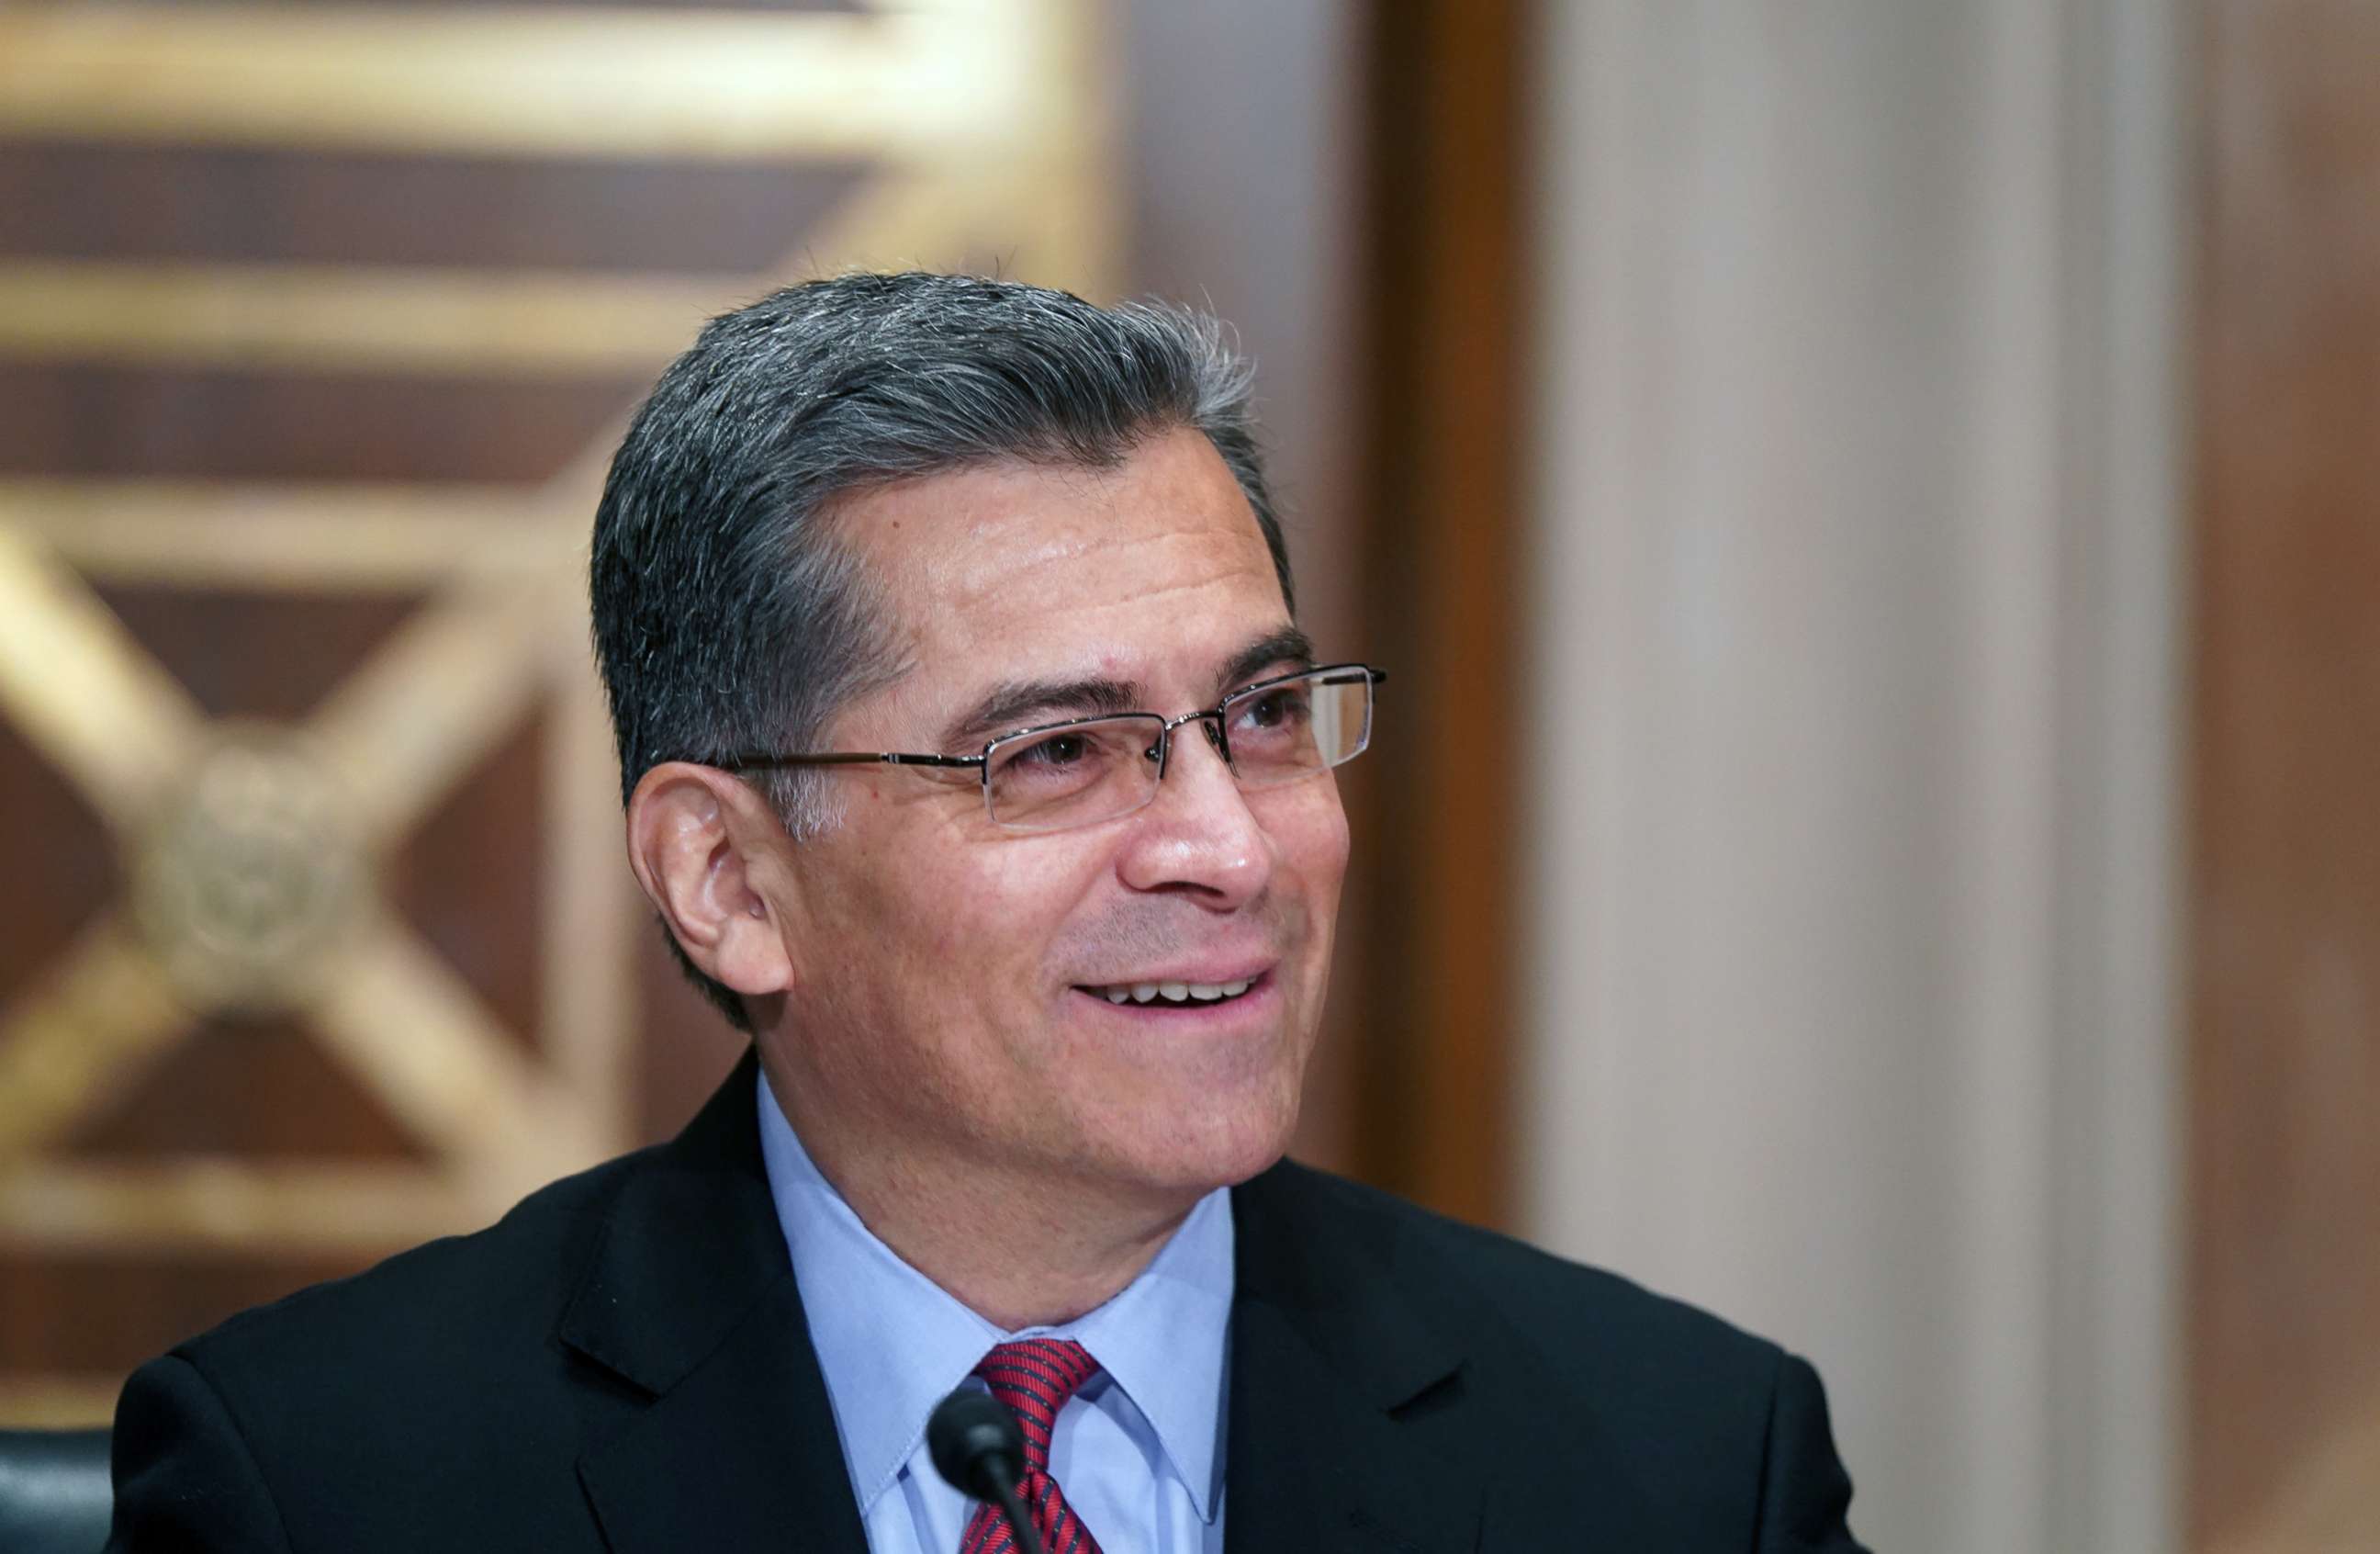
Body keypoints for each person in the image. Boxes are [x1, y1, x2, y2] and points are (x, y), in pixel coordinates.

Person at [105, 272, 1868, 1552]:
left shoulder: (1683, 1468)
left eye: (1260, 718)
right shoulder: (329, 1484)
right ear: (729, 882)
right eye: (1054, 754)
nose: (1228, 851)